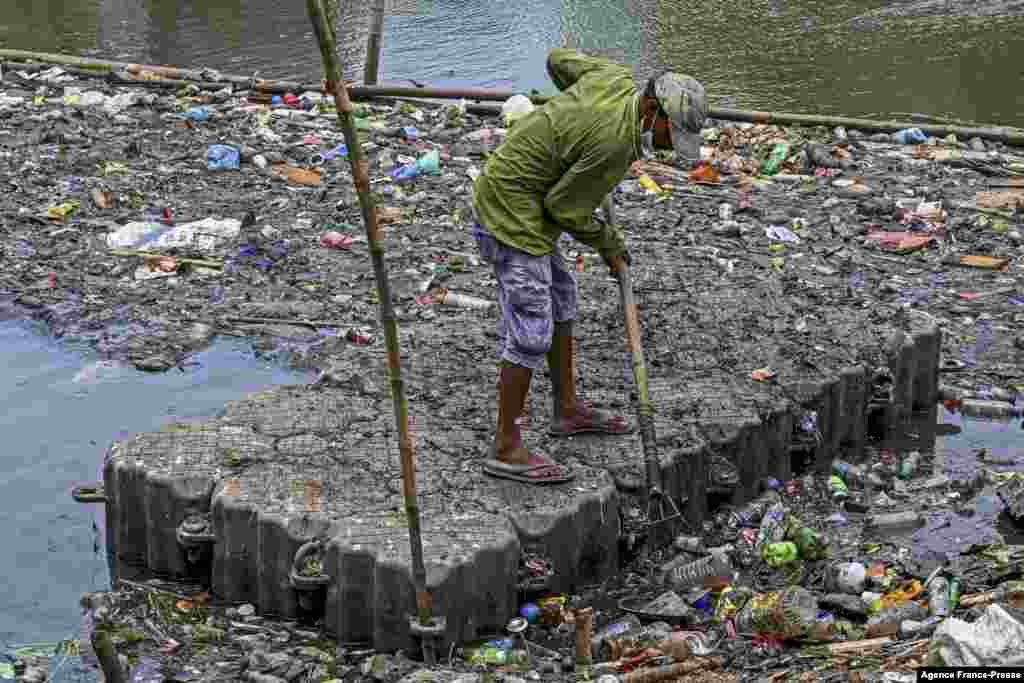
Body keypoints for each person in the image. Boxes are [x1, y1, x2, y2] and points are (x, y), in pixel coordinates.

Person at [471, 48, 707, 484]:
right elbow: (565, 207)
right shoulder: (614, 145)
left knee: (563, 298)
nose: (670, 146)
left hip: (531, 200)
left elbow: (558, 59)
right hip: (509, 209)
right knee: (531, 328)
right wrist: (608, 243)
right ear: (652, 109)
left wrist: (571, 116)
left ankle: (566, 409)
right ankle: (506, 446)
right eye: (670, 134)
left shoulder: (613, 77)